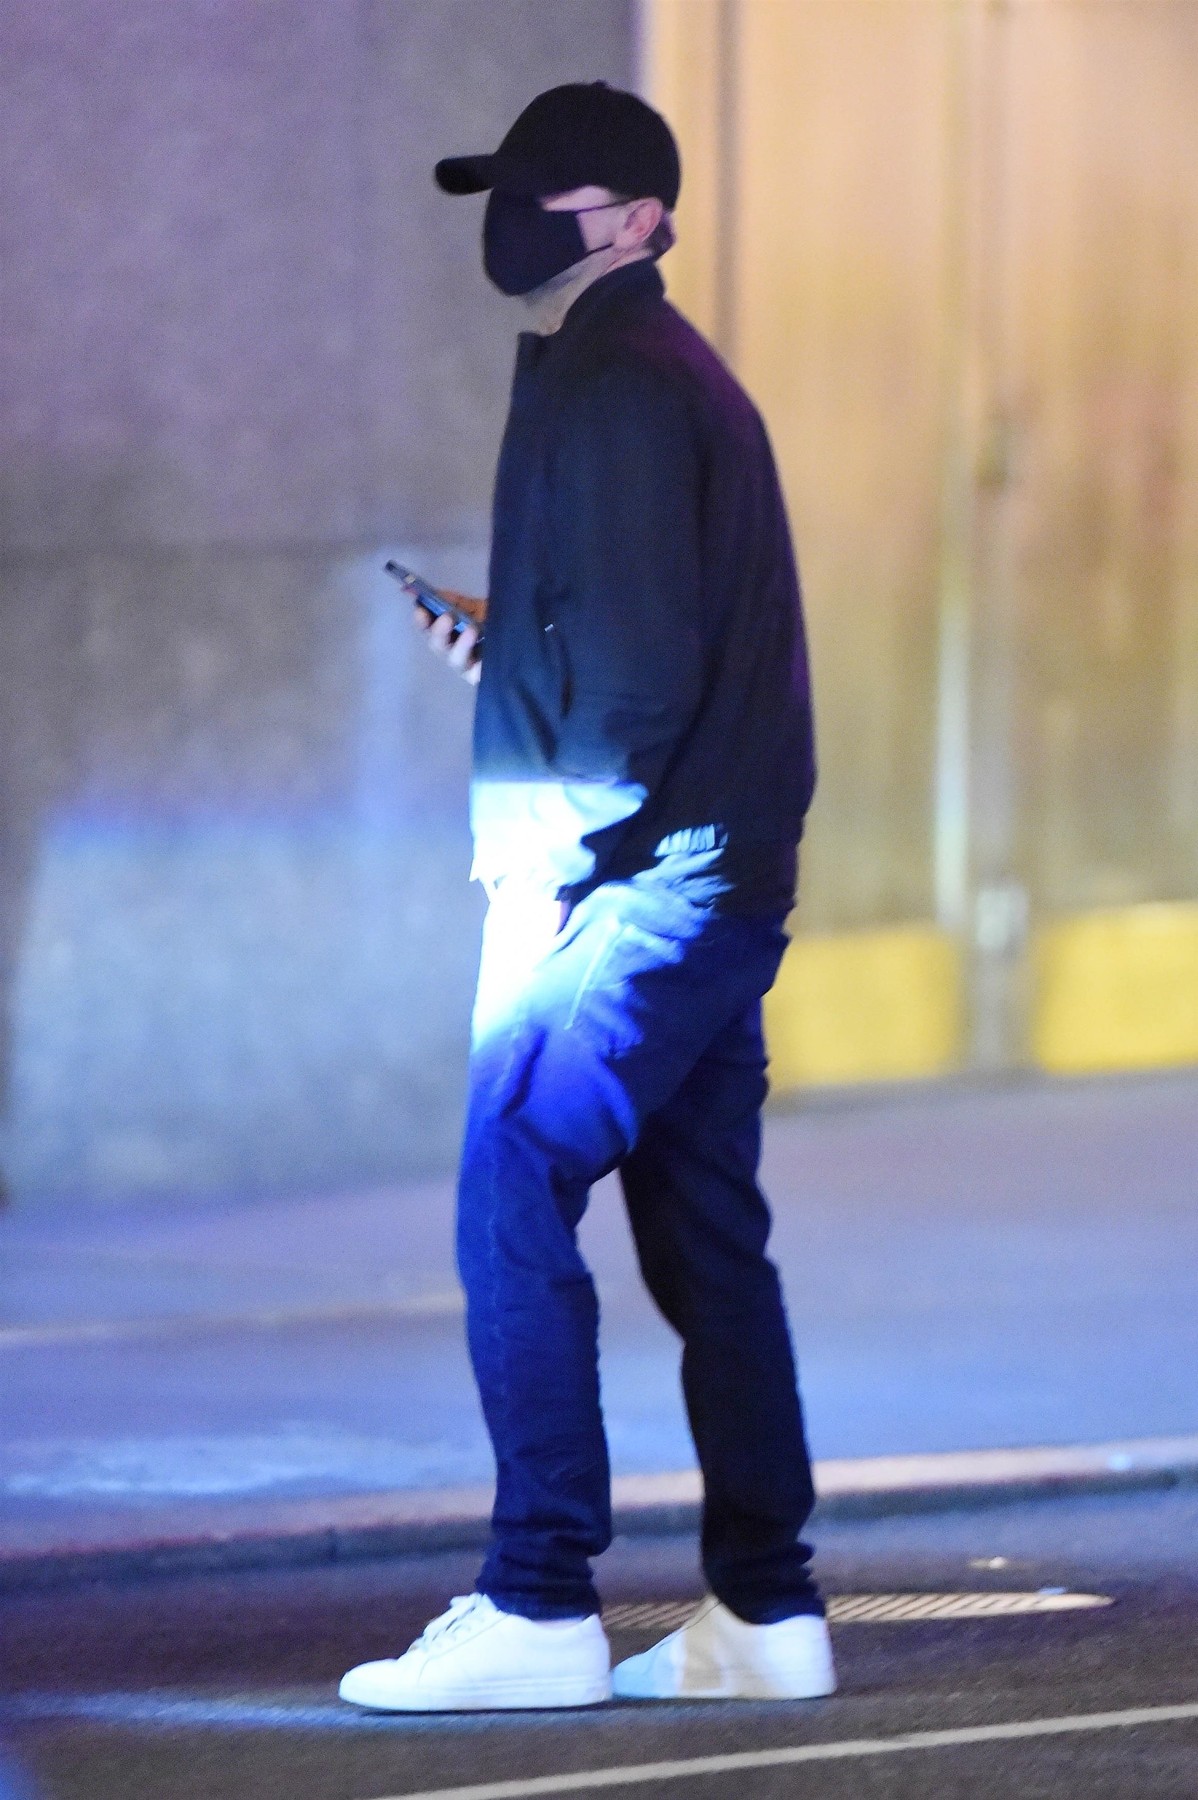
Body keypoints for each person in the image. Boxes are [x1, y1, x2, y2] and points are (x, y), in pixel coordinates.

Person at [340, 80, 833, 1712]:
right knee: (705, 1238)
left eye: (543, 198)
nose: (508, 223)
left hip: (630, 886)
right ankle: (764, 1613)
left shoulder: (619, 384)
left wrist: (549, 876)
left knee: (510, 1182)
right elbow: (622, 637)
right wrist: (508, 648)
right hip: (700, 876)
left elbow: (630, 692)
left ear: (636, 220)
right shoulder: (639, 374)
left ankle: (538, 1599)